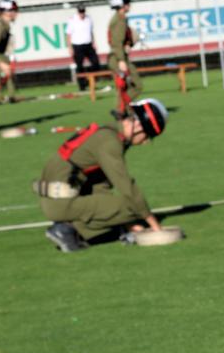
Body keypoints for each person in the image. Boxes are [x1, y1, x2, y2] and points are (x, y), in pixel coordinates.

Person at [38, 98, 168, 253]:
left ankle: (69, 227)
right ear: (138, 125)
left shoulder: (108, 132)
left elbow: (100, 183)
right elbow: (127, 187)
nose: (145, 142)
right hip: (59, 202)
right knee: (132, 206)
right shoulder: (110, 142)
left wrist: (128, 224)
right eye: (148, 136)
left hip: (55, 198)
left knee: (118, 209)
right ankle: (67, 229)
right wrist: (156, 228)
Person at [107, 0, 143, 109]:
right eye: (127, 3)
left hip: (118, 57)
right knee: (136, 86)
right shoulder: (120, 19)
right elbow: (117, 43)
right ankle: (122, 110)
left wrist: (129, 43)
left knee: (124, 88)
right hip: (118, 58)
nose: (129, 5)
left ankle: (124, 111)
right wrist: (121, 60)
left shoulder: (120, 18)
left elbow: (120, 40)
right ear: (122, 4)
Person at [66, 4, 101, 90]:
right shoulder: (72, 20)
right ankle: (82, 86)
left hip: (88, 45)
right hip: (77, 46)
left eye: (83, 11)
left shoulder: (89, 19)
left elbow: (91, 32)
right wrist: (70, 48)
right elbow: (68, 35)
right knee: (80, 66)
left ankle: (90, 80)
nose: (82, 13)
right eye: (80, 12)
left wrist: (94, 42)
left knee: (96, 63)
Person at [0, 0, 19, 110]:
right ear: (6, 12)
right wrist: (1, 63)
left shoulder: (4, 25)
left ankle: (4, 97)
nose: (16, 13)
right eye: (13, 10)